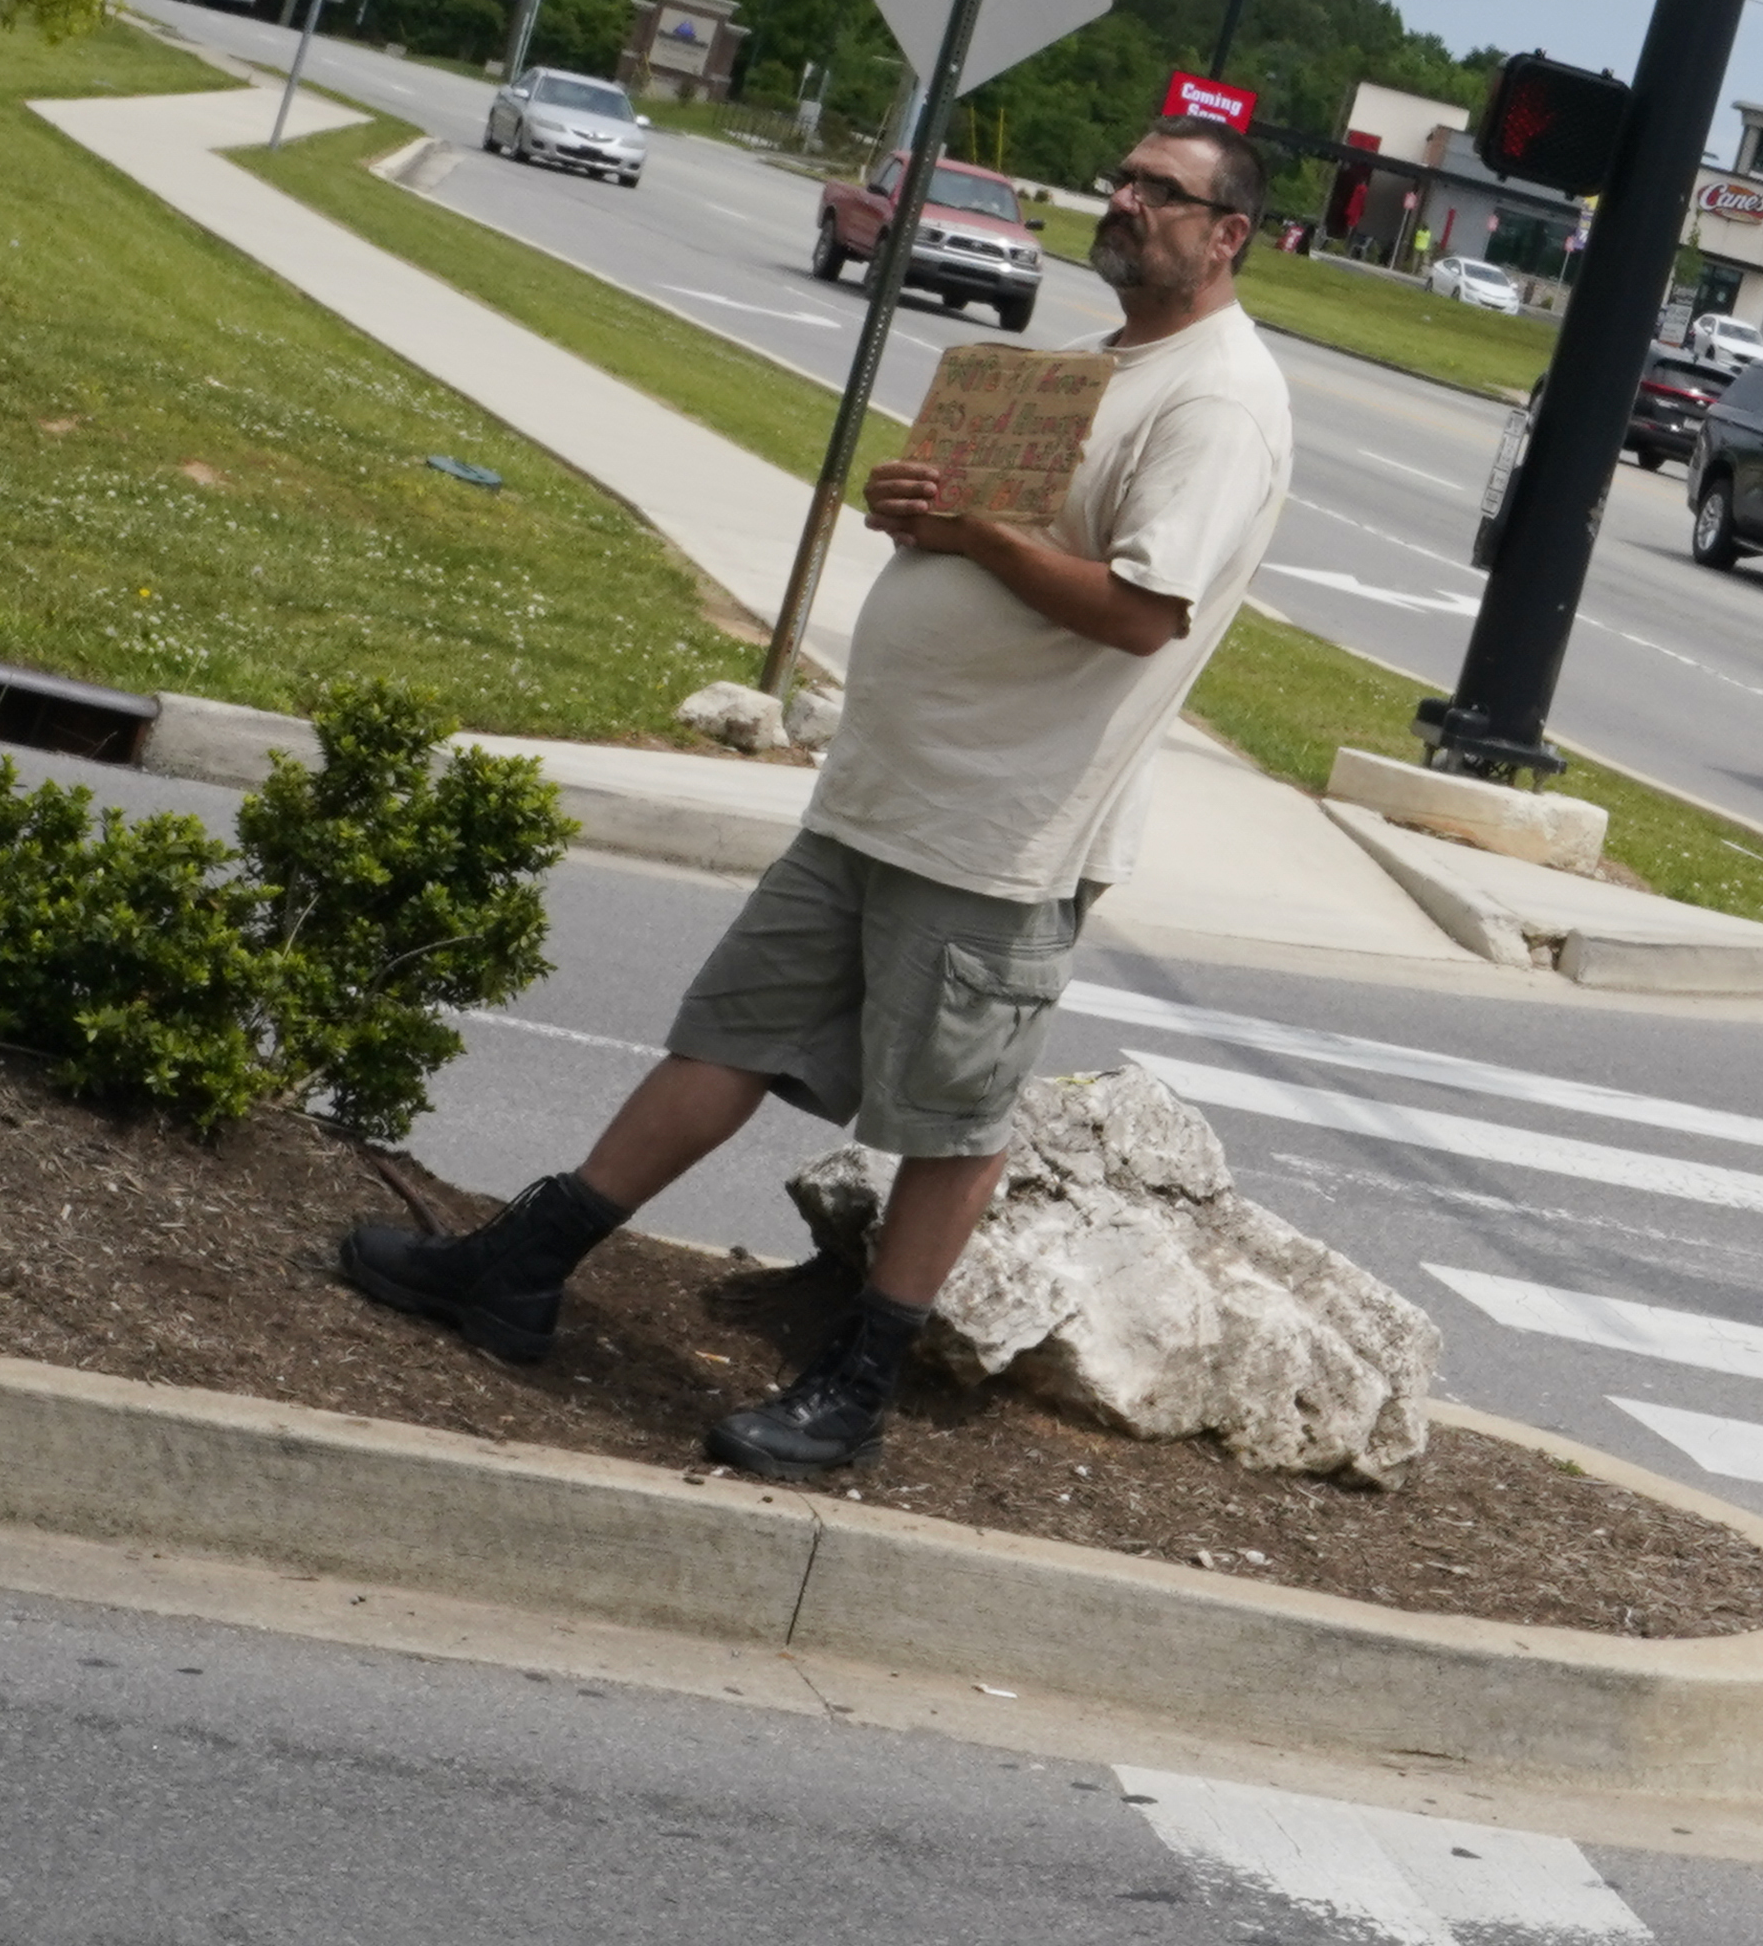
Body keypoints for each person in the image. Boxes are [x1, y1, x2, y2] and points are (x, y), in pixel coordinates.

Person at [340, 116, 1299, 1478]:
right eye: (1126, 177)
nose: (1131, 200)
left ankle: (856, 1390)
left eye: (1167, 192)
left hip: (999, 833)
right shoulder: (1107, 365)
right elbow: (1023, 539)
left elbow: (1144, 611)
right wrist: (930, 509)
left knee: (947, 1125)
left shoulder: (1216, 400)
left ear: (1231, 234)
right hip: (885, 793)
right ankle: (520, 1271)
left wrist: (971, 535)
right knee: (723, 1036)